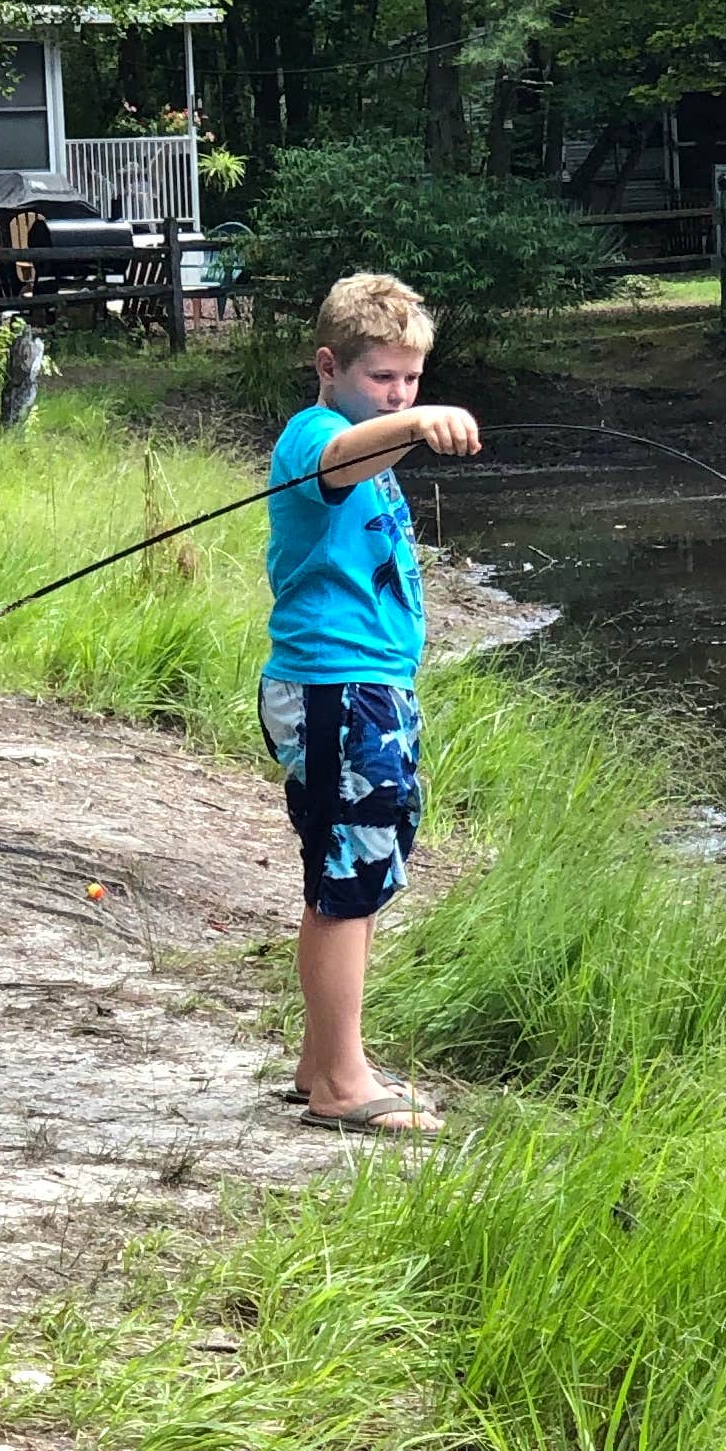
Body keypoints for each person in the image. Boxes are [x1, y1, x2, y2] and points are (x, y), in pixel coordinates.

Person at [260, 269, 481, 1131]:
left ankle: (323, 1061)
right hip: (335, 689)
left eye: (411, 380)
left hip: (372, 688)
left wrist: (405, 421)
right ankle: (343, 1089)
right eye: (381, 378)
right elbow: (338, 462)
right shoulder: (316, 433)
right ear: (329, 365)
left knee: (363, 870)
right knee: (344, 881)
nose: (397, 393)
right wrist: (415, 423)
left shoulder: (373, 440)